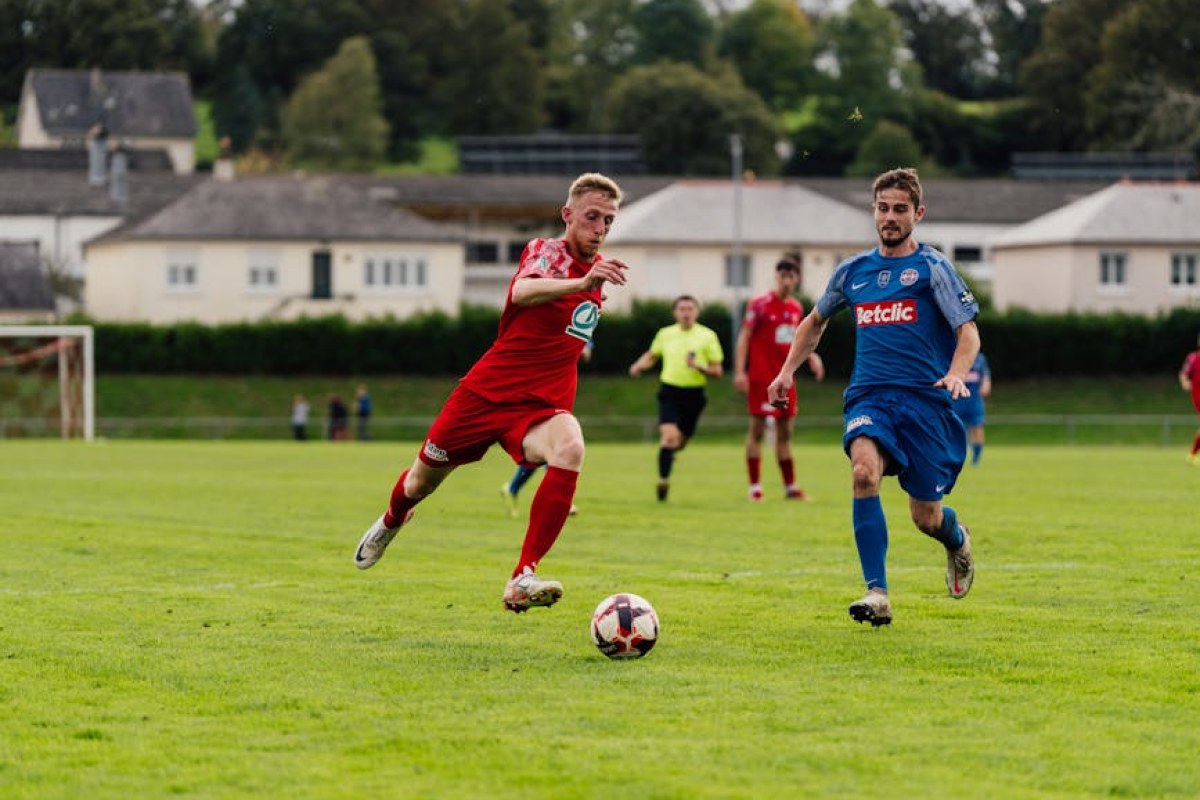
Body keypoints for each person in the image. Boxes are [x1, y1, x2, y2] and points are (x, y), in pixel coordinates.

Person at [353, 173, 629, 613]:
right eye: (592, 217)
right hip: (485, 395)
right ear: (568, 215)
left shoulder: (596, 278)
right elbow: (522, 290)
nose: (599, 229)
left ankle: (523, 576)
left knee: (571, 446)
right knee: (420, 482)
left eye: (608, 221)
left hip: (538, 407)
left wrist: (587, 297)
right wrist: (581, 285)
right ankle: (392, 520)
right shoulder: (548, 252)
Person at [768, 167, 980, 627]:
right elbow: (814, 321)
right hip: (869, 397)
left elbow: (968, 333)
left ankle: (956, 538)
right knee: (863, 474)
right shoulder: (853, 272)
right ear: (874, 211)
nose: (890, 216)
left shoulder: (932, 268)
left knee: (925, 516)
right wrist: (787, 371)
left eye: (900, 209)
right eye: (883, 208)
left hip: (924, 403)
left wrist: (958, 372)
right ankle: (877, 592)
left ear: (917, 214)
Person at [733, 255, 826, 501]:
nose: (786, 280)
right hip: (761, 378)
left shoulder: (796, 307)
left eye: (791, 276)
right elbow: (744, 337)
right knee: (757, 431)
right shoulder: (759, 304)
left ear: (797, 279)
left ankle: (790, 487)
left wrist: (812, 357)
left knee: (785, 434)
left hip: (786, 379)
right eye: (782, 276)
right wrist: (740, 371)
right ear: (777, 277)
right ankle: (755, 488)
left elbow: (799, 340)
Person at [628, 295, 724, 502]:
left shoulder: (707, 336)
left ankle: (670, 456)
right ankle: (663, 481)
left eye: (690, 308)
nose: (686, 313)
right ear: (675, 312)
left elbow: (718, 371)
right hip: (669, 391)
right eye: (682, 309)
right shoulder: (665, 334)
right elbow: (652, 355)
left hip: (695, 395)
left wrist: (700, 367)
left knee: (679, 443)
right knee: (669, 438)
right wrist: (638, 365)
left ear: (697, 312)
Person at [500, 342, 592, 517]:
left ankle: (511, 488)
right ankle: (561, 501)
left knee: (544, 451)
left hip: (560, 387)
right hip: (540, 390)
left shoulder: (580, 323)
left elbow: (586, 353)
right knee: (553, 446)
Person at [953, 352, 992, 466]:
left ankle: (976, 458)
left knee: (977, 428)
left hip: (974, 401)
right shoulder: (954, 354)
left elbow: (985, 376)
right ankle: (957, 457)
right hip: (957, 400)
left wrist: (986, 384)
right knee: (957, 430)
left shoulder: (980, 358)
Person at [1178, 332, 1200, 464]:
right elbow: (1184, 374)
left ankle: (1192, 455)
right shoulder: (1193, 358)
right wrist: (1185, 382)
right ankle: (1192, 454)